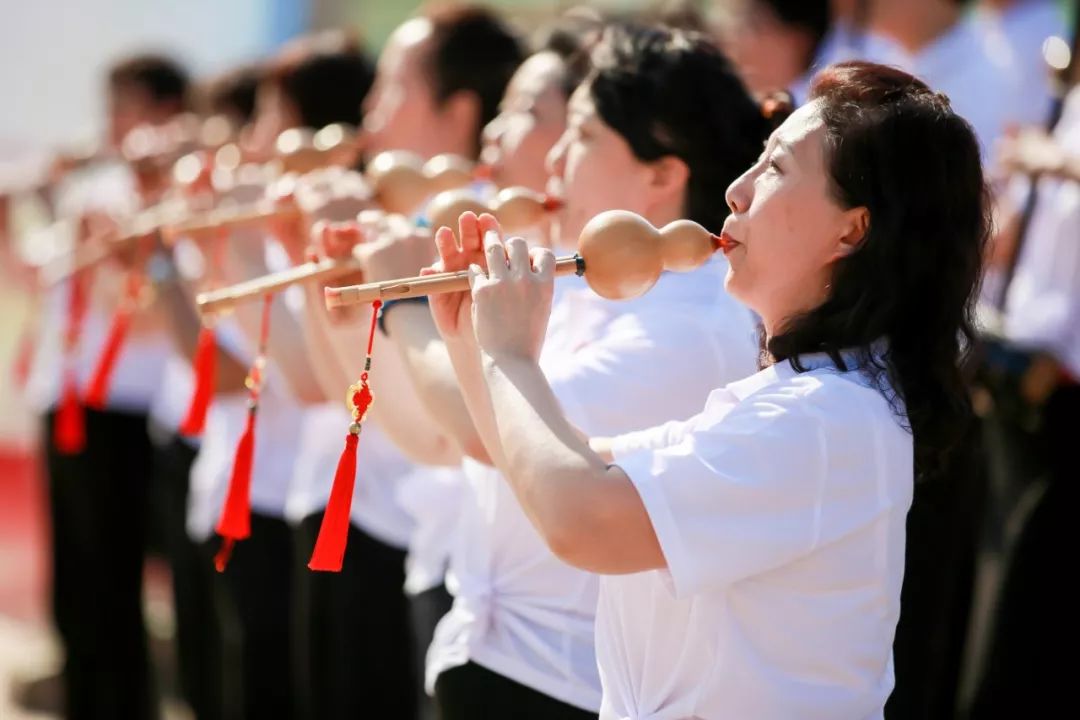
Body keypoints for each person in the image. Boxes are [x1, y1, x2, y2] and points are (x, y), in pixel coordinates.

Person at [428, 61, 989, 718]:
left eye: (776, 169)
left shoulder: (832, 416)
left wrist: (507, 354)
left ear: (852, 229)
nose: (737, 192)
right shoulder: (804, 397)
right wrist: (473, 345)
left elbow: (582, 520)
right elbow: (567, 466)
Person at [343, 22, 769, 718]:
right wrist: (368, 309)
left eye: (583, 135)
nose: (558, 161)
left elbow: (494, 438)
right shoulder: (587, 284)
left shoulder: (694, 327)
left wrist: (412, 310)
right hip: (496, 652)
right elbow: (436, 435)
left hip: (561, 683)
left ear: (663, 174)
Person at [20, 53, 189, 720]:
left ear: (165, 113)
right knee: (74, 588)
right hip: (66, 397)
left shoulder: (166, 196)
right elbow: (38, 275)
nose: (113, 124)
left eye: (126, 107)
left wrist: (119, 263)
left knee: (115, 589)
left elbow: (154, 319)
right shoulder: (100, 188)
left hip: (121, 409)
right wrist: (33, 201)